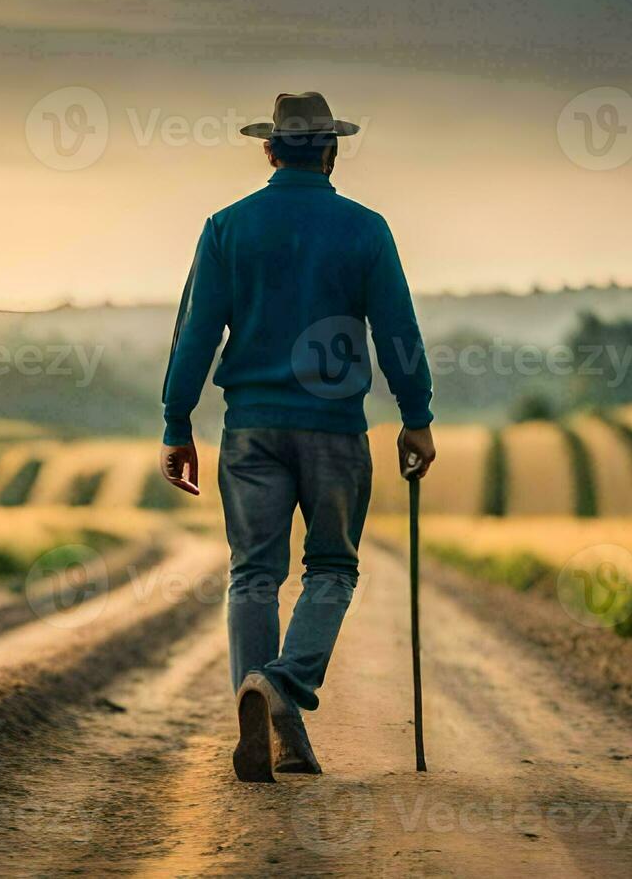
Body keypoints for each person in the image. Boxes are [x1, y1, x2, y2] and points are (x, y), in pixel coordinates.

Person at [158, 92, 436, 782]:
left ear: (269, 149)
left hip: (249, 427)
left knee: (253, 573)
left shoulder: (227, 227)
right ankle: (282, 686)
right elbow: (398, 331)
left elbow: (196, 333)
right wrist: (417, 415)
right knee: (332, 570)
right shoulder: (366, 230)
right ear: (333, 151)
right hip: (336, 429)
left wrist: (176, 422)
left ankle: (264, 697)